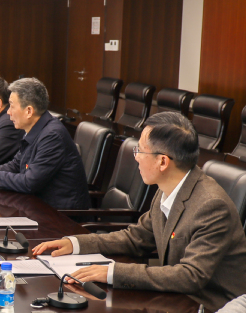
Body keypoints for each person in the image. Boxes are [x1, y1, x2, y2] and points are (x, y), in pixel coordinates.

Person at [33, 112, 246, 312]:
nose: (136, 157)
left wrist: (113, 272)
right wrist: (76, 243)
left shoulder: (211, 205)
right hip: (176, 297)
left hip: (209, 304)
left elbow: (191, 276)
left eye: (140, 151)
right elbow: (136, 237)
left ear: (162, 161)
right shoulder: (169, 188)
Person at [0, 78, 90, 210]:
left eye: (12, 106)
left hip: (60, 215)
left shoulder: (52, 136)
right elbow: (16, 165)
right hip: (37, 206)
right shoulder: (35, 129)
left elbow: (29, 182)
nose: (8, 112)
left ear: (29, 111)